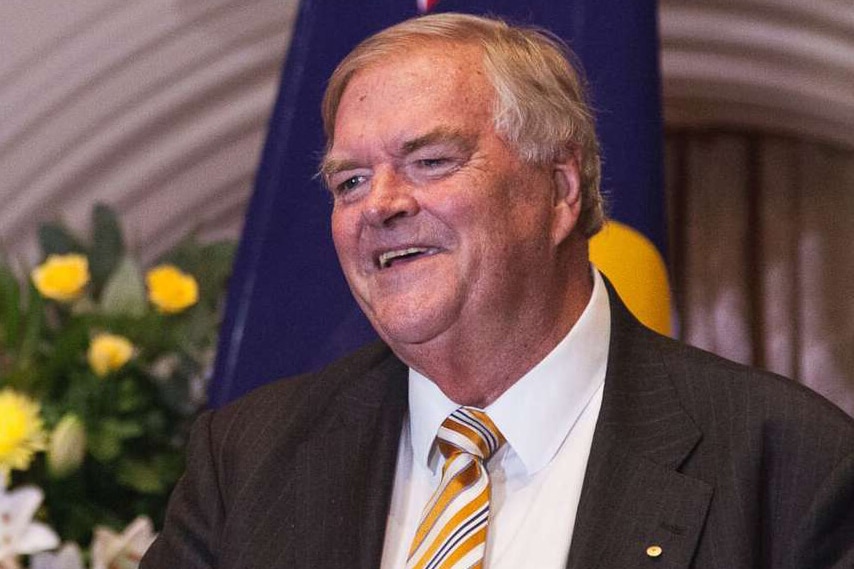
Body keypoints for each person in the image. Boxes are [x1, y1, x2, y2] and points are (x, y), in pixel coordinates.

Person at [141, 13, 854, 569]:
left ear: (559, 188)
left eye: (429, 160)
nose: (379, 205)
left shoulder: (786, 463)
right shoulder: (250, 457)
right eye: (349, 180)